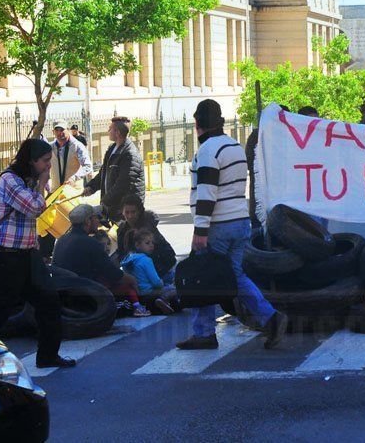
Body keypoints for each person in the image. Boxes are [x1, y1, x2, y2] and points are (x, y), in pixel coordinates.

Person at [179, 99, 286, 351]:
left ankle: (204, 333)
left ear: (197, 123)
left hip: (218, 225)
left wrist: (200, 230)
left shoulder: (208, 150)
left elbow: (207, 192)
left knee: (203, 278)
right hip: (239, 222)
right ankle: (271, 318)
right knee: (235, 276)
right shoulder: (234, 146)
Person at [0, 139, 74, 369]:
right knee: (1, 308)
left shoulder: (29, 180)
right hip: (6, 255)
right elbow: (34, 208)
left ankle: (47, 356)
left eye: (50, 160)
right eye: (45, 161)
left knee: (48, 301)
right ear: (31, 160)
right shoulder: (10, 180)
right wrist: (42, 182)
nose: (48, 166)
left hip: (27, 253)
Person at [52, 203, 149, 317]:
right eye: (96, 218)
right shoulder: (91, 243)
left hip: (62, 294)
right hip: (84, 297)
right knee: (129, 288)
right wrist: (132, 280)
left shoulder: (62, 239)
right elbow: (113, 275)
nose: (98, 221)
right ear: (88, 221)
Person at [83, 117, 144, 221]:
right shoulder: (112, 149)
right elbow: (103, 174)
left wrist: (104, 202)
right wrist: (91, 187)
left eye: (110, 128)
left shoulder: (130, 154)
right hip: (114, 208)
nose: (108, 131)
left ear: (117, 132)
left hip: (127, 212)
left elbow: (122, 185)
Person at [116, 194, 176, 279]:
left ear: (139, 212)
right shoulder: (122, 230)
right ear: (122, 212)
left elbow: (162, 252)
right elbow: (121, 252)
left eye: (133, 212)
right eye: (127, 212)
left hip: (161, 270)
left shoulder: (147, 228)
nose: (130, 216)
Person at [121, 229, 176, 314]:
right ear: (137, 245)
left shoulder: (127, 260)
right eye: (147, 243)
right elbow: (156, 282)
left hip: (137, 295)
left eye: (152, 243)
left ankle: (161, 303)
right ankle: (163, 299)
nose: (151, 245)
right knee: (175, 289)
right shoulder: (146, 260)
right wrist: (161, 282)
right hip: (149, 292)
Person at [49, 121, 93, 193]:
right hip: (55, 192)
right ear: (53, 132)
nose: (60, 133)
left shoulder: (77, 146)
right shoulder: (49, 147)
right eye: (57, 130)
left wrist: (74, 178)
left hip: (73, 192)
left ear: (68, 130)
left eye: (62, 130)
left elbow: (88, 166)